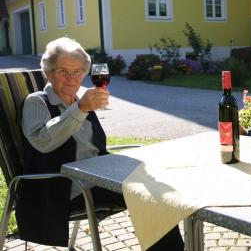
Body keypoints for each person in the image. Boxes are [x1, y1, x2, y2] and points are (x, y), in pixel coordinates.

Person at [17, 37, 184, 250]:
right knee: (147, 195)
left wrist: (80, 107)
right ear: (48, 72)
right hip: (63, 188)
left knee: (158, 184)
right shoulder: (36, 101)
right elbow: (43, 142)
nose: (71, 78)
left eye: (78, 71)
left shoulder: (79, 101)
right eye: (62, 71)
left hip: (97, 177)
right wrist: (80, 110)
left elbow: (93, 148)